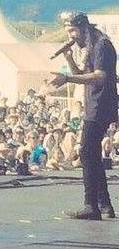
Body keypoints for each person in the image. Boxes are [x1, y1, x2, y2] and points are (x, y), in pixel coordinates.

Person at [50, 12, 117, 220]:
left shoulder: (102, 45)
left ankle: (91, 205)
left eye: (73, 31)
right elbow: (82, 74)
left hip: (101, 104)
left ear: (84, 28)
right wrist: (69, 59)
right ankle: (104, 204)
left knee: (87, 151)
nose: (71, 36)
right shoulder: (91, 46)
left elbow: (99, 77)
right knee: (92, 153)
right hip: (94, 104)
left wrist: (67, 78)